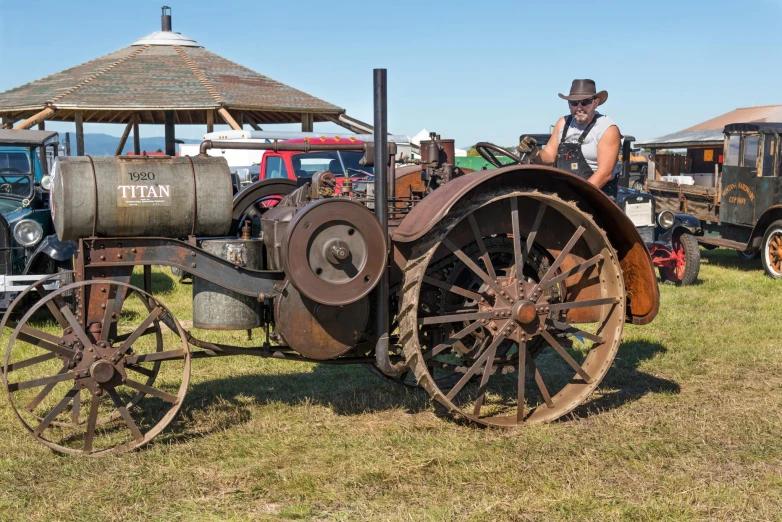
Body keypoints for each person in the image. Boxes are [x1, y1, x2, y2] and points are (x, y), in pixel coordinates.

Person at [518, 79, 621, 198]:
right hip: (566, 191)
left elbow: (604, 173)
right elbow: (549, 156)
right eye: (574, 103)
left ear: (595, 103)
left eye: (585, 102)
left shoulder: (607, 128)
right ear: (569, 104)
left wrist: (576, 197)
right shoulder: (563, 123)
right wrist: (534, 153)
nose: (579, 107)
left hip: (598, 191)